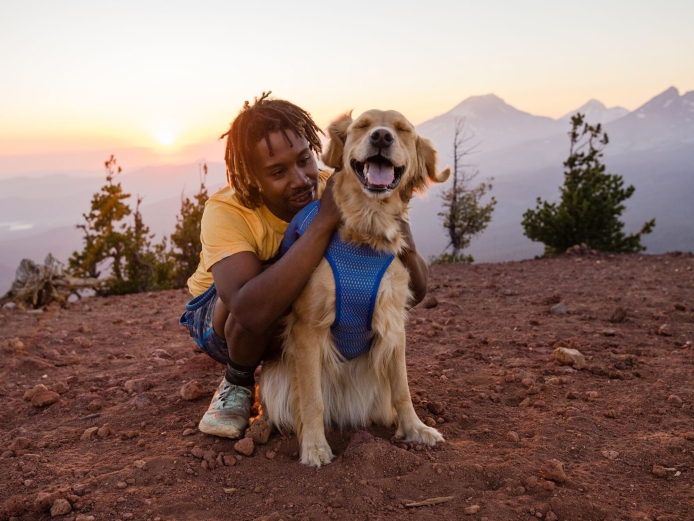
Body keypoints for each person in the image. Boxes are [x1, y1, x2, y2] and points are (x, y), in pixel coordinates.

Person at [180, 92, 430, 439]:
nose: (300, 179)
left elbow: (414, 291)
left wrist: (403, 235)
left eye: (304, 160)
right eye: (278, 172)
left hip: (295, 305)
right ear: (252, 177)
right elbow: (248, 310)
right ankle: (237, 383)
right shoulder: (226, 210)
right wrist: (325, 222)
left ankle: (337, 385)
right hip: (225, 315)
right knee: (264, 291)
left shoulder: (339, 185)